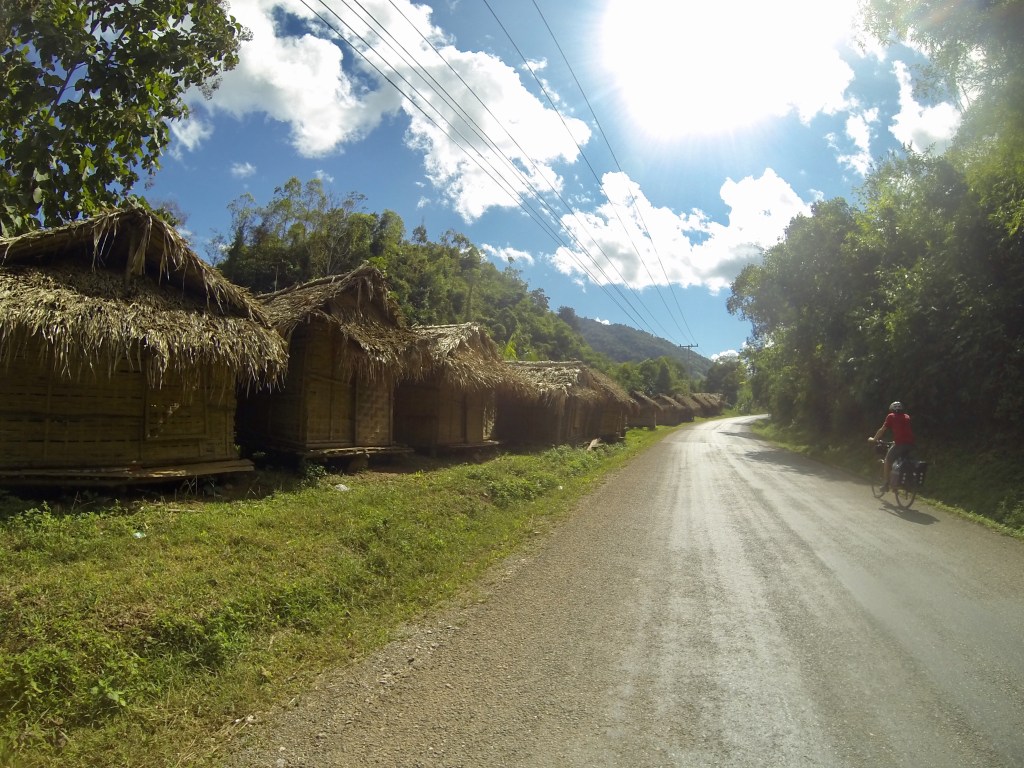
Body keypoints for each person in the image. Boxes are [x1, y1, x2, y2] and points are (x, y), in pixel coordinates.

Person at [869, 400, 915, 493]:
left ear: (892, 409)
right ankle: (895, 485)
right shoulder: (907, 416)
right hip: (910, 444)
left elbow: (882, 430)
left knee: (887, 460)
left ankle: (886, 484)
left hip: (900, 444)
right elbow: (903, 431)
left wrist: (874, 439)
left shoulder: (891, 416)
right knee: (898, 462)